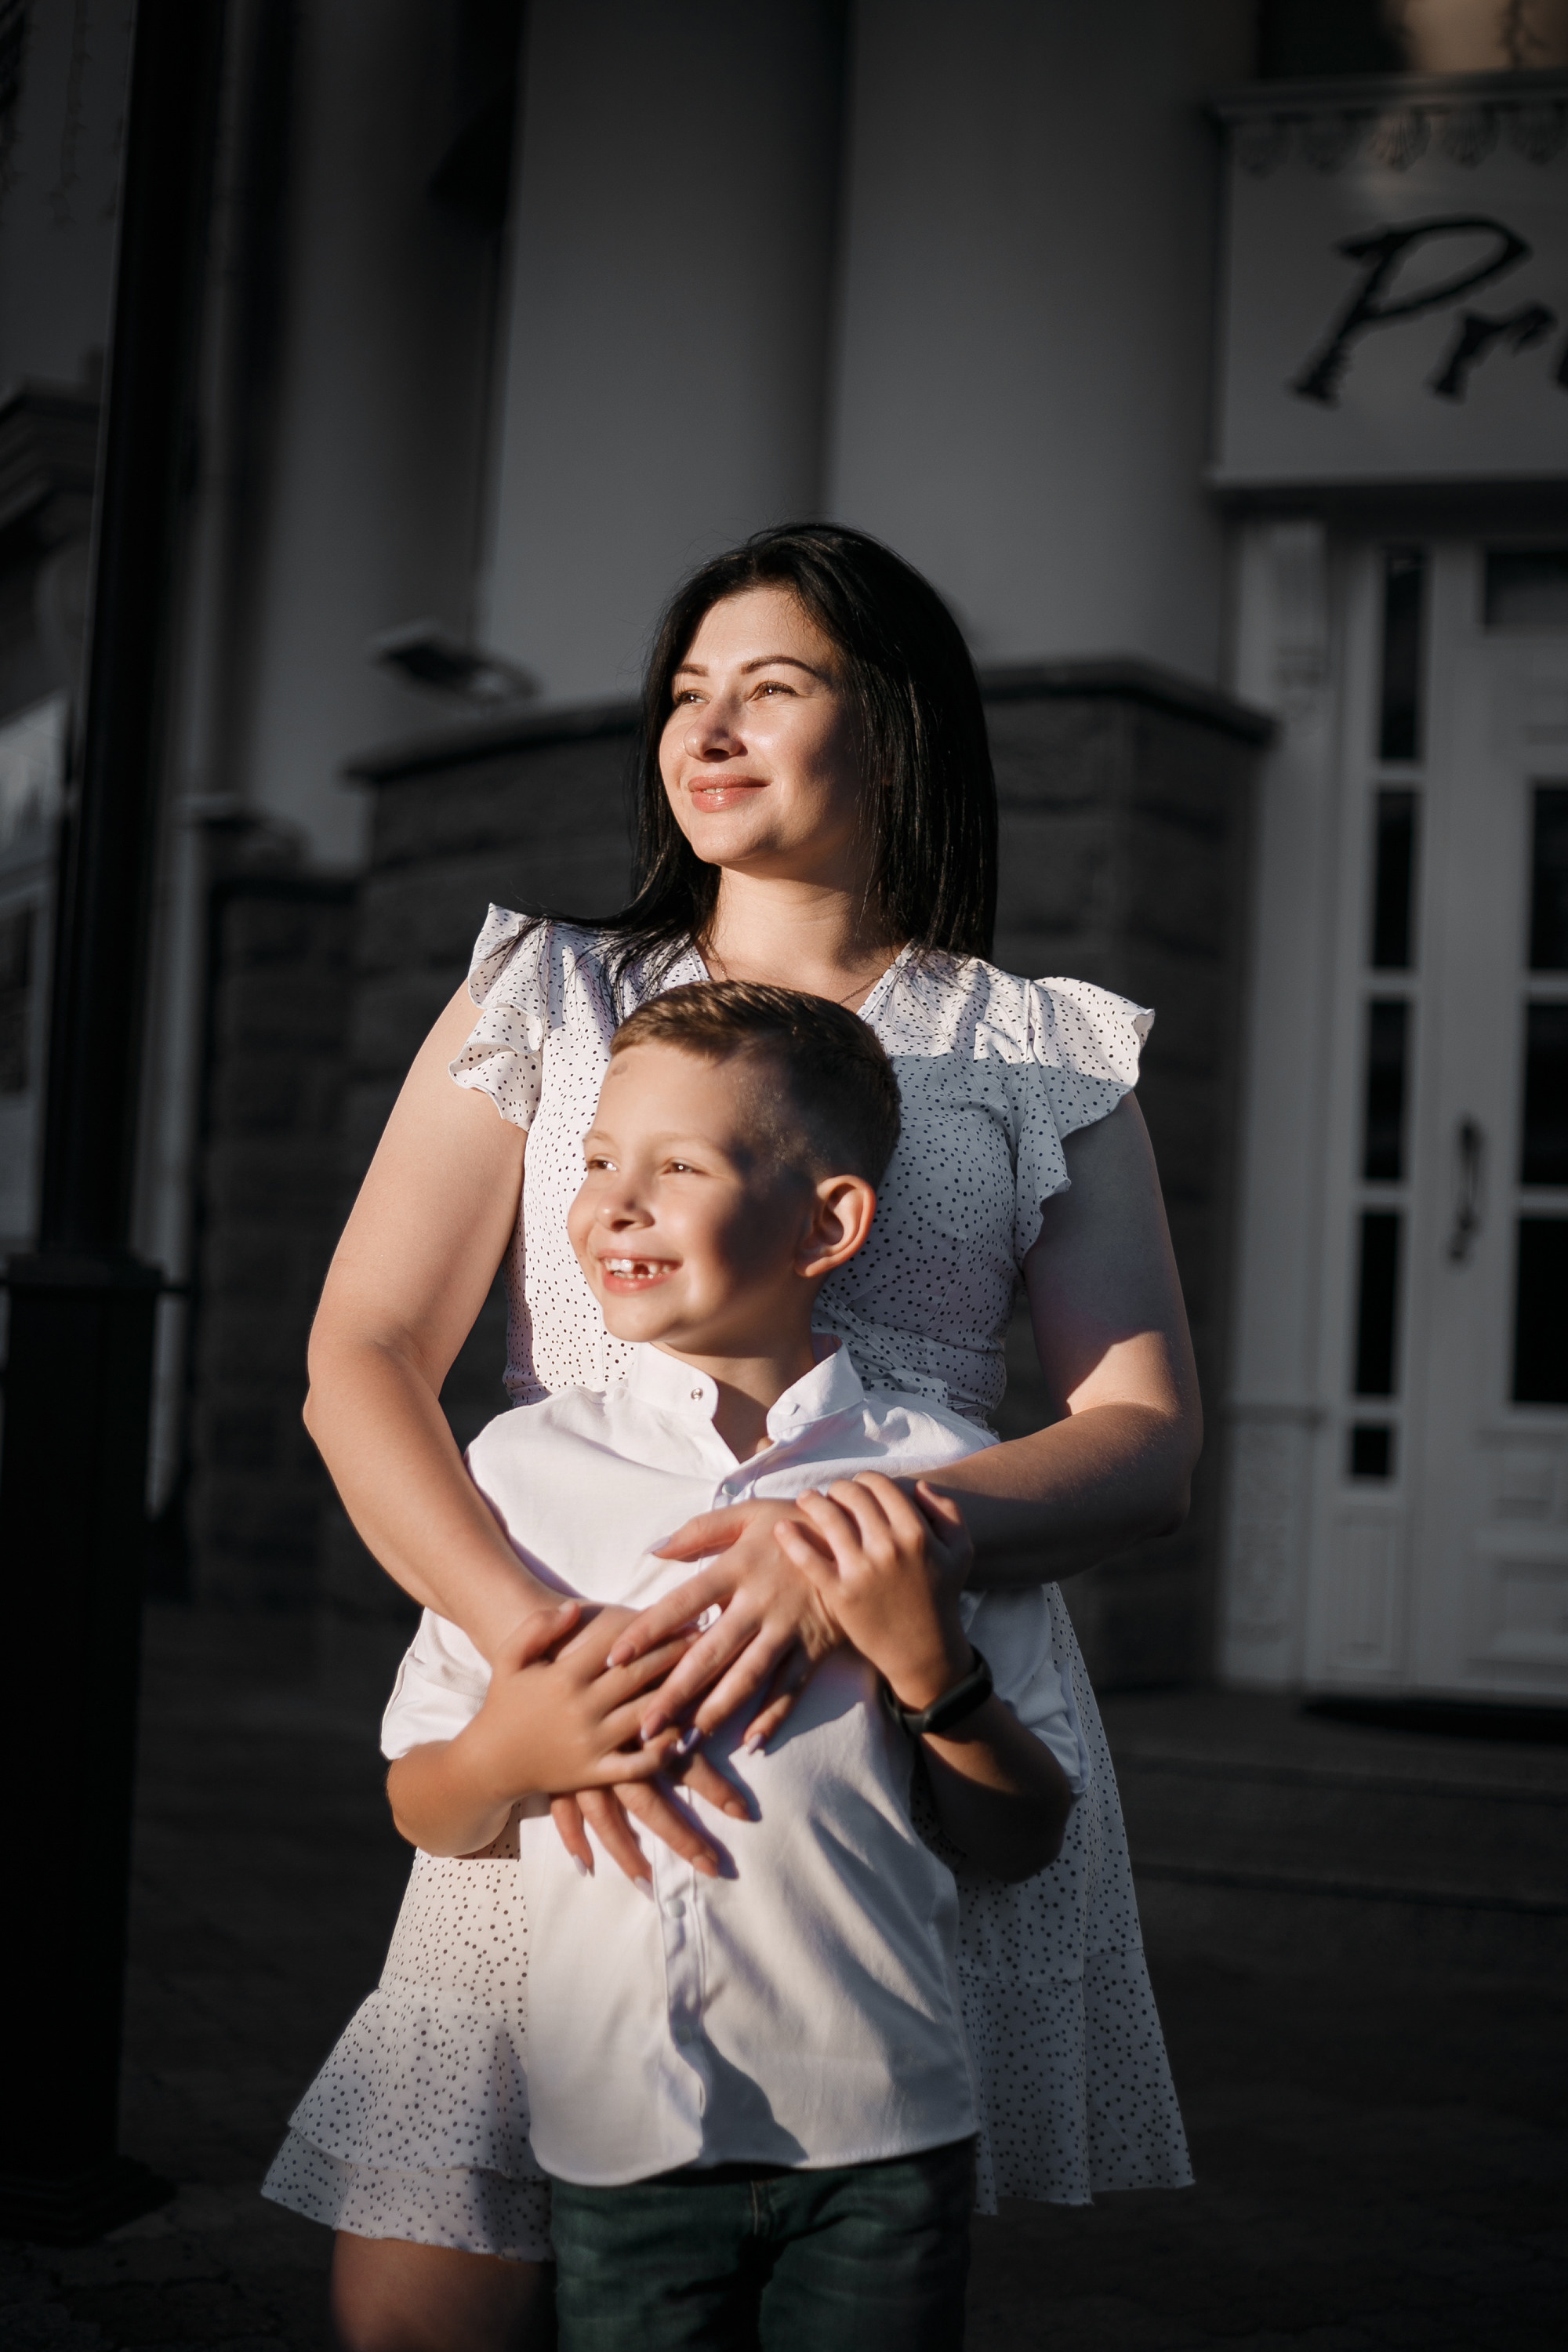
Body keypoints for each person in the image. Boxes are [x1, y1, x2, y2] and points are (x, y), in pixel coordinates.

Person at [281, 523, 1201, 2349]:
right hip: (576, 1698)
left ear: (894, 725)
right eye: (685, 693)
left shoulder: (1039, 1052)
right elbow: (361, 1354)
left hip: (880, 1745)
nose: (704, 730)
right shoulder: (545, 993)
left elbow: (1144, 1435)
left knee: (835, 2246)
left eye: (769, 688)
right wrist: (537, 1660)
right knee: (423, 2305)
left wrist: (861, 1545)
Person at [368, 985, 1083, 2350]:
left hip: (883, 2137)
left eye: (679, 1167)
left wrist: (930, 1670)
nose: (614, 1204)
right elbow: (426, 1805)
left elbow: (1024, 1836)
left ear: (829, 1225)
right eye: (595, 1160)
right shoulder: (517, 1475)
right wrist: (512, 1754)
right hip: (618, 2142)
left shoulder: (942, 1481)